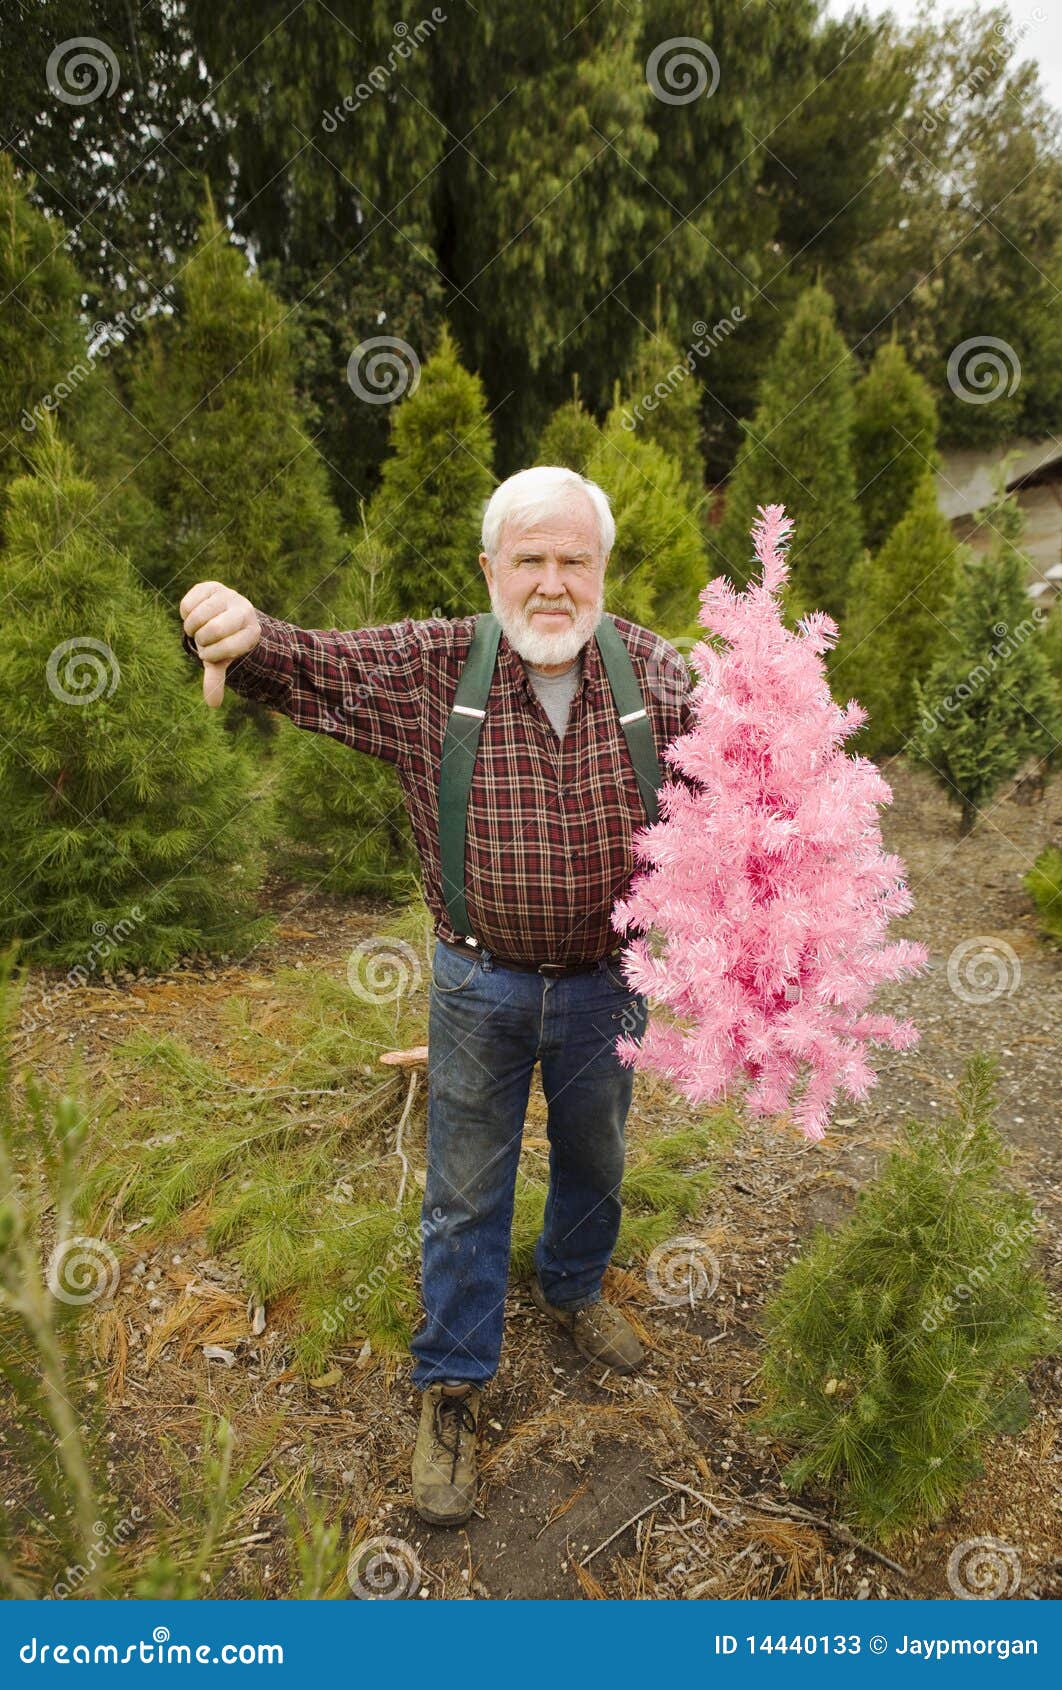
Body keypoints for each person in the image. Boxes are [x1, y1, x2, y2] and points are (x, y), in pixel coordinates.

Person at [179, 465, 697, 1527]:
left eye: (573, 560)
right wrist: (242, 627)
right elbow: (309, 661)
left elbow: (745, 787)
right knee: (466, 1186)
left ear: (601, 569)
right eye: (530, 560)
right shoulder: (430, 665)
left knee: (597, 1155)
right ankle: (453, 1380)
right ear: (490, 568)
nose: (552, 583)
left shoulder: (654, 668)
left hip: (608, 986)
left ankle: (571, 1288)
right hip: (478, 984)